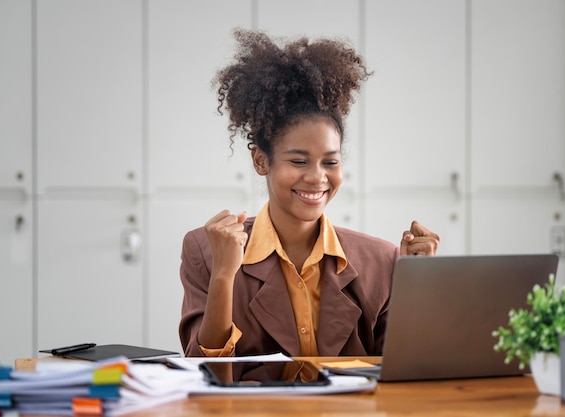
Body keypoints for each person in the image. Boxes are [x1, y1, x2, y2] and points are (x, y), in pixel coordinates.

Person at [179, 29, 440, 357]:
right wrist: (223, 275)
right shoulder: (205, 249)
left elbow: (404, 371)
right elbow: (202, 371)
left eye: (330, 161)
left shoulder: (381, 260)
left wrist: (419, 285)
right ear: (261, 161)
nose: (318, 177)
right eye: (299, 160)